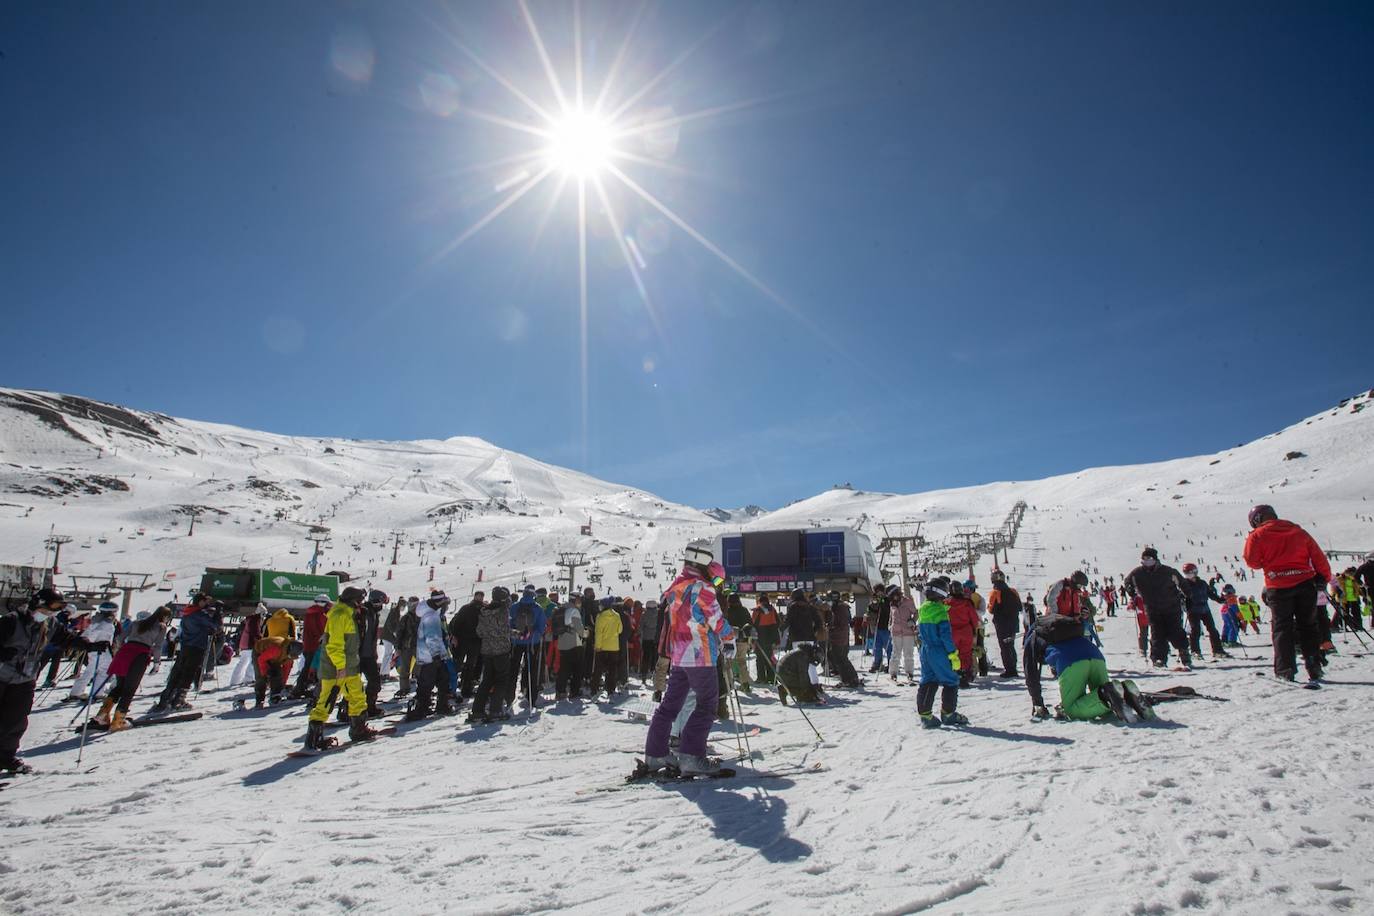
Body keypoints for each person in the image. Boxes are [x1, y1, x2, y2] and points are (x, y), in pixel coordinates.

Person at [642, 545, 735, 776]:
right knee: (706, 705)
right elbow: (716, 619)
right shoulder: (703, 588)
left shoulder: (677, 586)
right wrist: (730, 638)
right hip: (700, 654)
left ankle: (655, 753)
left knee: (670, 705)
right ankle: (692, 756)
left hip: (679, 655)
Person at [1243, 504, 1330, 684]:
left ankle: (1285, 669)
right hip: (1305, 583)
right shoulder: (1298, 531)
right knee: (1308, 625)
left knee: (1282, 628)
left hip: (1278, 585)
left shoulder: (1257, 535)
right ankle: (1314, 665)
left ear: (1257, 520)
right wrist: (1324, 577)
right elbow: (1318, 557)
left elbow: (1252, 562)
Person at [1024, 606, 1132, 721]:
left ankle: (1109, 697)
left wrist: (1037, 702)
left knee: (1072, 709)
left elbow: (1030, 672)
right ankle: (1124, 694)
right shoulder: (1066, 627)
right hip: (1095, 655)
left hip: (1070, 662)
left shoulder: (1034, 636)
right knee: (1100, 694)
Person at [301, 587, 376, 750]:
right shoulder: (339, 615)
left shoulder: (348, 614)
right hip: (336, 669)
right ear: (353, 601)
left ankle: (358, 729)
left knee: (357, 696)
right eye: (360, 601)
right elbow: (334, 646)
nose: (361, 604)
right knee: (327, 701)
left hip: (350, 667)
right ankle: (314, 738)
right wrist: (340, 666)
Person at [1, 587, 65, 774]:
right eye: (46, 610)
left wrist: (89, 644)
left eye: (52, 612)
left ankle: (5, 757)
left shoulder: (51, 624)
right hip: (2, 676)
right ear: (37, 604)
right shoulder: (12, 620)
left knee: (16, 721)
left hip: (24, 680)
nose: (48, 615)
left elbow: (65, 638)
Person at [98, 606, 172, 730]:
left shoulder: (136, 623)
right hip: (140, 655)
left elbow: (120, 638)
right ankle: (118, 720)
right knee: (130, 688)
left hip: (125, 652)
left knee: (120, 685)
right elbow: (158, 646)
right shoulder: (161, 626)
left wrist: (120, 649)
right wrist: (157, 662)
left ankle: (103, 713)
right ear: (165, 616)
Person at [150, 593, 221, 713]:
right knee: (189, 673)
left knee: (178, 672)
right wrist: (218, 613)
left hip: (185, 646)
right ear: (200, 602)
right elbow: (215, 626)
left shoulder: (187, 613)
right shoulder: (199, 615)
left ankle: (166, 699)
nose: (206, 604)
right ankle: (178, 701)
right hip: (197, 646)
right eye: (205, 601)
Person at [1123, 549, 1192, 669]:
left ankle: (1184, 654)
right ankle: (1158, 659)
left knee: (1175, 631)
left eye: (1149, 559)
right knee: (1157, 634)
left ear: (1155, 559)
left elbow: (1182, 583)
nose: (1146, 562)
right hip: (1152, 608)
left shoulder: (1168, 571)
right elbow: (1127, 582)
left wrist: (1188, 597)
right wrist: (1131, 592)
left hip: (1171, 607)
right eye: (1144, 559)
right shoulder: (1137, 573)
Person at [916, 578, 965, 728]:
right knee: (951, 680)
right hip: (939, 650)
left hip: (925, 649)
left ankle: (925, 716)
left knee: (928, 680)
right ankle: (948, 714)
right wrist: (953, 655)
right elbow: (945, 636)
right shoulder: (940, 612)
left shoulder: (923, 608)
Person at [405, 592, 455, 721]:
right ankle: (424, 707)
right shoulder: (431, 616)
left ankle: (433, 705)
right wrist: (436, 656)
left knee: (441, 680)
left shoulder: (431, 614)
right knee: (429, 682)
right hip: (432, 656)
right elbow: (432, 638)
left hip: (430, 655)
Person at [469, 587, 513, 723]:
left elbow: (480, 632)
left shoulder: (484, 611)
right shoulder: (503, 611)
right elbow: (504, 630)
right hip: (501, 650)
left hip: (487, 651)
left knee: (486, 681)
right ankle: (495, 710)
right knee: (501, 680)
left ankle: (477, 711)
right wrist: (514, 633)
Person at [67, 601, 118, 702]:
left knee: (90, 671)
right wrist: (92, 641)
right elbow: (95, 634)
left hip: (93, 649)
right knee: (103, 671)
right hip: (101, 649)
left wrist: (86, 643)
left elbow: (86, 634)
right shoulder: (106, 623)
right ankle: (97, 693)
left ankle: (76, 692)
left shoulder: (96, 620)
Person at [508, 585, 547, 710]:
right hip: (532, 643)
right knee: (532, 670)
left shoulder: (514, 607)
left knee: (513, 670)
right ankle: (531, 697)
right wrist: (535, 635)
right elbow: (541, 626)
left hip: (516, 642)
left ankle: (508, 696)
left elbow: (508, 624)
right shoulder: (537, 608)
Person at [1180, 563, 1230, 659]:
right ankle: (1195, 651)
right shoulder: (1184, 584)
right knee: (1196, 631)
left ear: (1195, 572)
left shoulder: (1202, 583)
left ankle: (1217, 650)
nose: (1189, 575)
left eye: (1190, 572)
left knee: (1212, 630)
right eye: (1186, 573)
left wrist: (1220, 600)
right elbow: (1180, 596)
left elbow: (1210, 594)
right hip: (1193, 610)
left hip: (1205, 609)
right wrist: (1183, 602)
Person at [254, 607, 297, 708]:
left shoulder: (270, 620)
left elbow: (265, 634)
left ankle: (275, 695)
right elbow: (261, 659)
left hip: (278, 644)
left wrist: (281, 685)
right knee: (261, 676)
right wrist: (265, 673)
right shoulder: (289, 618)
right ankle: (260, 700)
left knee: (276, 673)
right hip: (265, 650)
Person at [291, 594, 331, 700]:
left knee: (308, 666)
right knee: (316, 667)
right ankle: (305, 688)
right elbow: (322, 630)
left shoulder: (309, 613)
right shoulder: (321, 614)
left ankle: (301, 687)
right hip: (317, 645)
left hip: (308, 644)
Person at [354, 590, 386, 716]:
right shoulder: (363, 613)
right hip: (358, 654)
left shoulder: (374, 614)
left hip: (368, 655)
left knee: (375, 681)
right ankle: (348, 709)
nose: (382, 605)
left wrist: (374, 652)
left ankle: (369, 706)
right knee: (354, 684)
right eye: (381, 601)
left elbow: (372, 636)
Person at [986, 570, 1022, 677]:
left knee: (1004, 647)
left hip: (1001, 624)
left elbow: (991, 609)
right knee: (1011, 645)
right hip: (1014, 622)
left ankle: (1010, 670)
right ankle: (1013, 667)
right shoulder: (1013, 591)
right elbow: (1020, 607)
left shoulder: (995, 592)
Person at [449, 590, 484, 699]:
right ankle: (452, 688)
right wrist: (454, 636)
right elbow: (457, 623)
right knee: (460, 665)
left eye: (481, 597)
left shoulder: (482, 609)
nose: (479, 599)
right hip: (465, 640)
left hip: (474, 641)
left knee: (469, 666)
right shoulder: (468, 608)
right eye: (478, 597)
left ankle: (465, 688)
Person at [946, 582, 980, 688]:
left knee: (953, 654)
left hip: (952, 632)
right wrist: (975, 629)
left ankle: (954, 673)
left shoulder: (946, 603)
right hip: (966, 631)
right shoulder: (967, 603)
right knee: (966, 654)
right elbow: (974, 618)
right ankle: (964, 675)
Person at [553, 594, 586, 699]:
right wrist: (588, 633)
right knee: (577, 669)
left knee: (564, 668)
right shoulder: (574, 611)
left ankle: (560, 691)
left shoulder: (561, 608)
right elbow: (580, 630)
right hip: (574, 643)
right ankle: (574, 691)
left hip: (562, 643)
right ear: (575, 600)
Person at [590, 597, 623, 697]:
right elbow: (620, 629)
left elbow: (598, 633)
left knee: (598, 669)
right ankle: (610, 689)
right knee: (612, 670)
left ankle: (594, 689)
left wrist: (597, 646)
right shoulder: (616, 615)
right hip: (614, 647)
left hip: (602, 647)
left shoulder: (600, 616)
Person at [825, 592, 859, 687]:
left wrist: (831, 628)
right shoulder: (839, 607)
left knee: (840, 659)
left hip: (839, 637)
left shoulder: (839, 608)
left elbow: (841, 623)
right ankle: (852, 677)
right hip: (841, 636)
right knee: (842, 658)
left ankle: (848, 679)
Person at [227, 604, 265, 688]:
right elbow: (255, 632)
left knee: (243, 662)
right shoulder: (255, 619)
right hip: (250, 643)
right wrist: (261, 639)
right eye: (263, 613)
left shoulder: (250, 619)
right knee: (253, 662)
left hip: (245, 643)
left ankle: (235, 680)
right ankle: (248, 679)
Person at [889, 583, 919, 682]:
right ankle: (893, 672)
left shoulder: (907, 601)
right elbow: (891, 616)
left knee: (908, 653)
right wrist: (890, 625)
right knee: (895, 653)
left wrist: (913, 621)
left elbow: (916, 612)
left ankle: (909, 672)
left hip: (907, 631)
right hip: (896, 631)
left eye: (894, 595)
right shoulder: (892, 604)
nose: (894, 598)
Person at [750, 595, 780, 683]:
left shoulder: (757, 610)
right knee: (770, 657)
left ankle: (761, 678)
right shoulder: (773, 610)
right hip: (771, 636)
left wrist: (752, 639)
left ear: (759, 601)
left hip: (760, 637)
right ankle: (771, 677)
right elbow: (778, 622)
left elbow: (753, 624)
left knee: (760, 658)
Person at [868, 586, 894, 674]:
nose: (879, 594)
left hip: (886, 627)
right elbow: (871, 610)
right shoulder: (875, 600)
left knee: (888, 647)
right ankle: (877, 663)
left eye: (880, 592)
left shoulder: (888, 600)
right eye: (877, 592)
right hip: (877, 627)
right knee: (876, 647)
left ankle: (891, 664)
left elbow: (889, 610)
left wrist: (882, 604)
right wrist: (873, 605)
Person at [638, 599, 661, 681]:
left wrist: (638, 633)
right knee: (655, 656)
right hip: (656, 638)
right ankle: (653, 671)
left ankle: (644, 672)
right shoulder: (659, 614)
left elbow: (640, 626)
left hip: (646, 638)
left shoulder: (644, 614)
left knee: (646, 656)